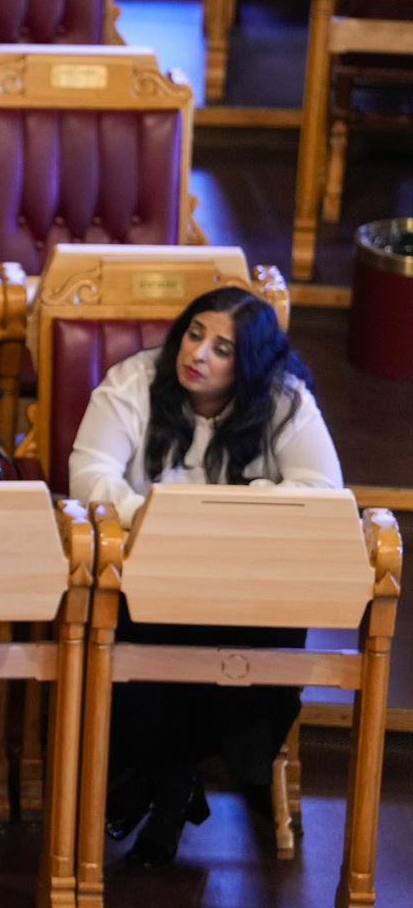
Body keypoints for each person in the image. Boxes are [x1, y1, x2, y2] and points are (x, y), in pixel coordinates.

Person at [67, 287, 342, 867]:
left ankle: (166, 785)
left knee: (263, 657)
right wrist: (163, 521)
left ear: (250, 364)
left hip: (244, 585)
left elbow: (322, 492)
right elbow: (89, 473)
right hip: (147, 573)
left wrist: (233, 515)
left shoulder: (284, 400)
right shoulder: (135, 380)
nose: (198, 354)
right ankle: (170, 791)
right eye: (194, 334)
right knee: (120, 645)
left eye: (222, 348)